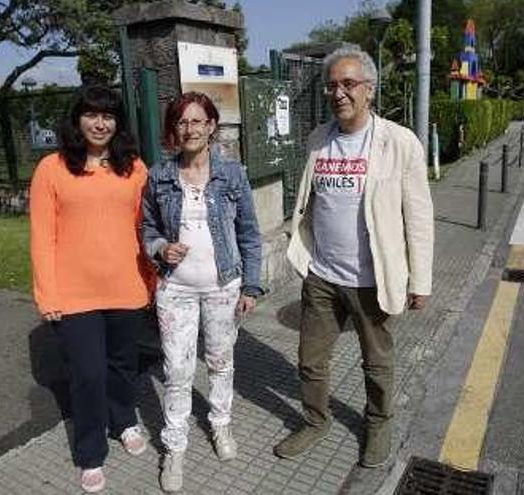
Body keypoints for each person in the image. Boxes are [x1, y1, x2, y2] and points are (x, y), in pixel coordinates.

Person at [273, 46, 435, 468]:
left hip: (372, 278)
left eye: (348, 84)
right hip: (322, 275)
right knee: (310, 360)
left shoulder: (399, 143)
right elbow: (310, 202)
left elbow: (419, 218)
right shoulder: (318, 140)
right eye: (332, 85)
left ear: (369, 90)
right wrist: (301, 253)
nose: (338, 93)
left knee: (376, 363)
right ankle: (314, 420)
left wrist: (421, 282)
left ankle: (379, 424)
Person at [29, 85, 154, 493]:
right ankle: (89, 450)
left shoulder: (134, 167)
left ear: (118, 123)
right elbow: (42, 235)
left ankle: (124, 419)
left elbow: (146, 229)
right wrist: (47, 294)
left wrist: (151, 280)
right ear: (77, 118)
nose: (100, 123)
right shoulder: (52, 168)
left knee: (122, 366)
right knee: (87, 373)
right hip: (74, 293)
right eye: (92, 114)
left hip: (127, 286)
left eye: (109, 115)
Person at [141, 92, 263, 492]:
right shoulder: (159, 176)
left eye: (197, 121)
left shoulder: (232, 173)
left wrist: (251, 284)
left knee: (220, 362)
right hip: (175, 289)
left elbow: (248, 232)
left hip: (222, 287)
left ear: (211, 126)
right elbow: (147, 229)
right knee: (177, 371)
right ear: (174, 129)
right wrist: (161, 248)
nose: (189, 129)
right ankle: (175, 447)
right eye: (181, 122)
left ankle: (220, 425)